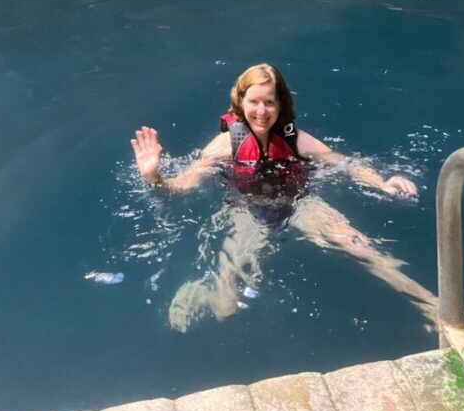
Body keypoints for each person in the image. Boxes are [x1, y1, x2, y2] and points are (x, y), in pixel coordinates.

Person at [130, 64, 445, 333]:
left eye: (269, 102)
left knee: (359, 245)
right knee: (227, 308)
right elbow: (182, 185)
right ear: (240, 102)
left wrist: (382, 182)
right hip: (246, 212)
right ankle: (206, 292)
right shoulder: (224, 146)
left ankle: (436, 310)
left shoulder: (296, 140)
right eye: (254, 102)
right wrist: (154, 177)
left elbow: (347, 165)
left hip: (300, 205)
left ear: (281, 105)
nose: (262, 111)